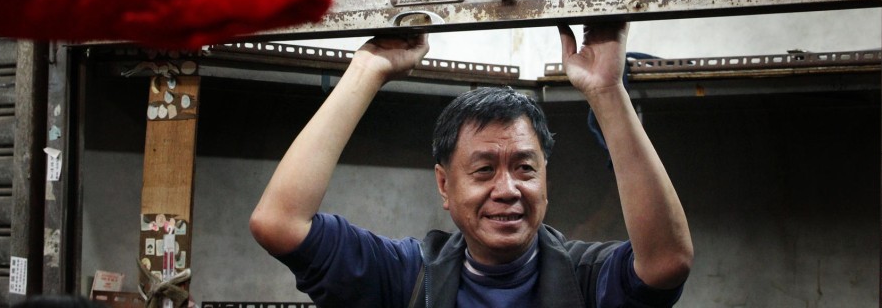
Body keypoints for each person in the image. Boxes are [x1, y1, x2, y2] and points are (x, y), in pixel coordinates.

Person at [249, 22, 693, 307]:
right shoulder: (407, 278)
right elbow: (279, 222)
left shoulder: (587, 280)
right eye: (483, 170)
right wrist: (369, 67)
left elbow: (667, 261)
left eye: (525, 168)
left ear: (545, 180)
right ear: (444, 185)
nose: (507, 189)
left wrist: (606, 91)